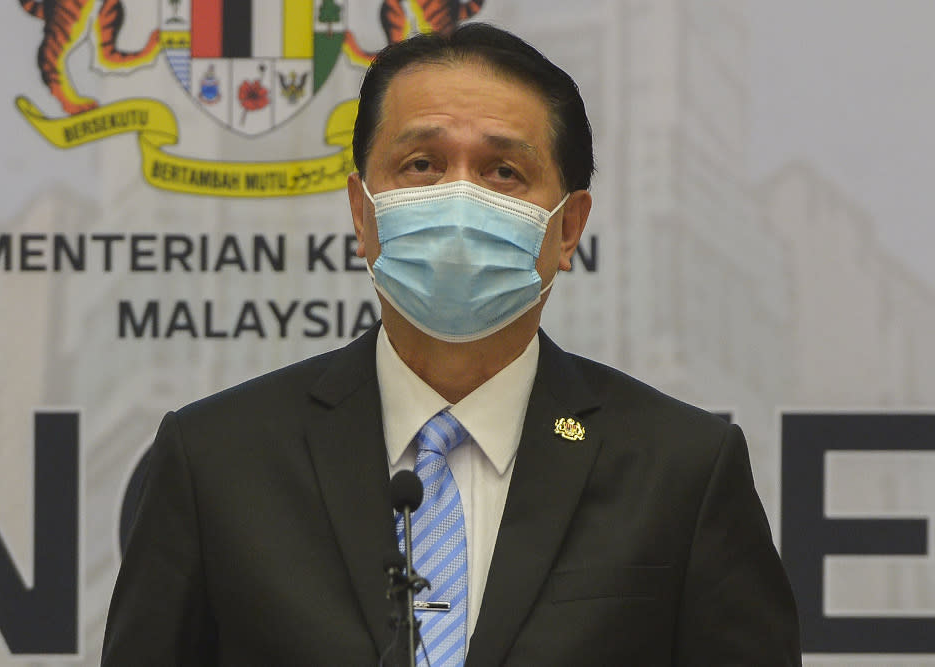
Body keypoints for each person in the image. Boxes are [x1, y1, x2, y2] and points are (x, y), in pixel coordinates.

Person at [102, 23, 801, 665]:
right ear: (361, 212)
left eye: (504, 172)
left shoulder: (683, 470)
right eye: (421, 164)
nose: (459, 202)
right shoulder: (216, 460)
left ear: (568, 229)